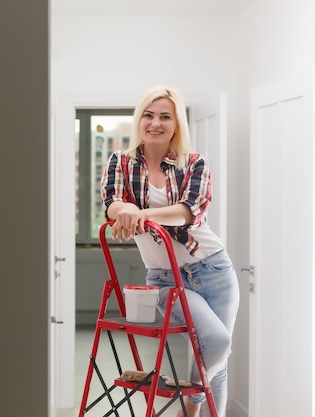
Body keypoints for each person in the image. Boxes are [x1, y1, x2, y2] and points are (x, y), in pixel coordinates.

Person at [100, 86, 239, 417]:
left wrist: (139, 214)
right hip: (165, 280)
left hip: (214, 269)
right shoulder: (121, 161)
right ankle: (192, 404)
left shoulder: (194, 163)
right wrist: (124, 209)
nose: (155, 123)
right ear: (140, 120)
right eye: (149, 115)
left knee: (214, 361)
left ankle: (193, 403)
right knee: (216, 344)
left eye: (165, 116)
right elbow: (111, 205)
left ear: (177, 124)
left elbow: (187, 212)